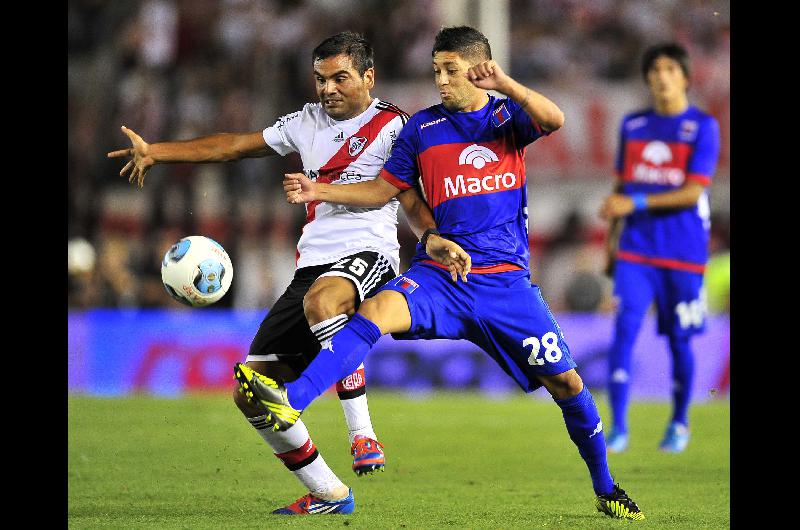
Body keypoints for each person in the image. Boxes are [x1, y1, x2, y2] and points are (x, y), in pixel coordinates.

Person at [235, 26, 644, 521]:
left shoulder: (506, 117)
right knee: (374, 310)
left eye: (451, 71)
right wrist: (321, 192)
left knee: (569, 387)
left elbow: (553, 118)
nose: (442, 82)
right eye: (436, 71)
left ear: (478, 69)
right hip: (442, 275)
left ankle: (607, 488)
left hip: (505, 285)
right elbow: (384, 190)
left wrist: (506, 84)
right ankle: (293, 400)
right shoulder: (422, 129)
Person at [107, 31, 470, 515]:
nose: (328, 89)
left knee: (324, 302)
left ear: (368, 77)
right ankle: (328, 493)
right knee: (252, 393)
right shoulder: (304, 122)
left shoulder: (394, 126)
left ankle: (362, 434)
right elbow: (233, 146)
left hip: (370, 256)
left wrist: (429, 239)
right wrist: (158, 151)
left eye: (340, 78)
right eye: (321, 79)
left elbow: (404, 197)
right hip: (312, 268)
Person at [598, 43, 721, 454]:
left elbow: (692, 192)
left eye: (670, 68)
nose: (662, 75)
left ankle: (680, 422)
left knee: (679, 341)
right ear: (647, 78)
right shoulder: (633, 125)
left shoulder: (703, 127)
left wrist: (636, 203)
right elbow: (620, 187)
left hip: (684, 253)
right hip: (635, 250)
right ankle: (617, 428)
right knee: (623, 333)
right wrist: (611, 246)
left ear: (685, 77)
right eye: (655, 69)